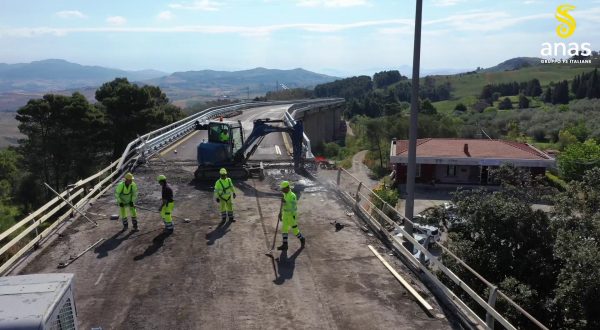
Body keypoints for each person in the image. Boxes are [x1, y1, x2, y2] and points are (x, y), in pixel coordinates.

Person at [277, 181, 305, 251]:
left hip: (292, 216)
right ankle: (285, 245)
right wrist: (280, 213)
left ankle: (302, 238)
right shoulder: (284, 194)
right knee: (284, 229)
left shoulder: (292, 195)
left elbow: (293, 206)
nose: (282, 190)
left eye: (283, 189)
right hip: (285, 215)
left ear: (287, 188)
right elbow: (283, 205)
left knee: (295, 231)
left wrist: (285, 202)